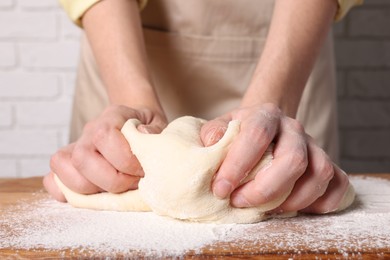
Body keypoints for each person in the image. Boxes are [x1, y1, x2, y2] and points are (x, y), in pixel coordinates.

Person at [44, 0, 362, 214]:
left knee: (288, 193)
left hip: (290, 54)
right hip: (124, 49)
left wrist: (272, 105)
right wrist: (132, 100)